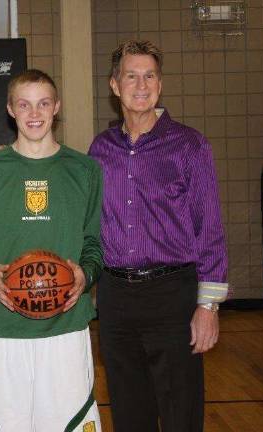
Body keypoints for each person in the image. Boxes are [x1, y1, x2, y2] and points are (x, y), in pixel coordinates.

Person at [88, 40, 228, 432]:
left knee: (181, 413)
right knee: (131, 414)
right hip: (116, 300)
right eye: (131, 76)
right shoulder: (100, 150)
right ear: (115, 86)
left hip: (172, 297)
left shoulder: (189, 145)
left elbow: (210, 229)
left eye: (149, 76)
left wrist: (208, 307)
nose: (141, 85)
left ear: (160, 85)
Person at [0, 69, 103, 432]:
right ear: (10, 109)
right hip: (4, 325)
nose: (34, 113)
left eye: (43, 103)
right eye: (24, 104)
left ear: (56, 107)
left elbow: (95, 243)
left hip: (67, 326)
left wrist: (84, 274)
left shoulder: (85, 170)